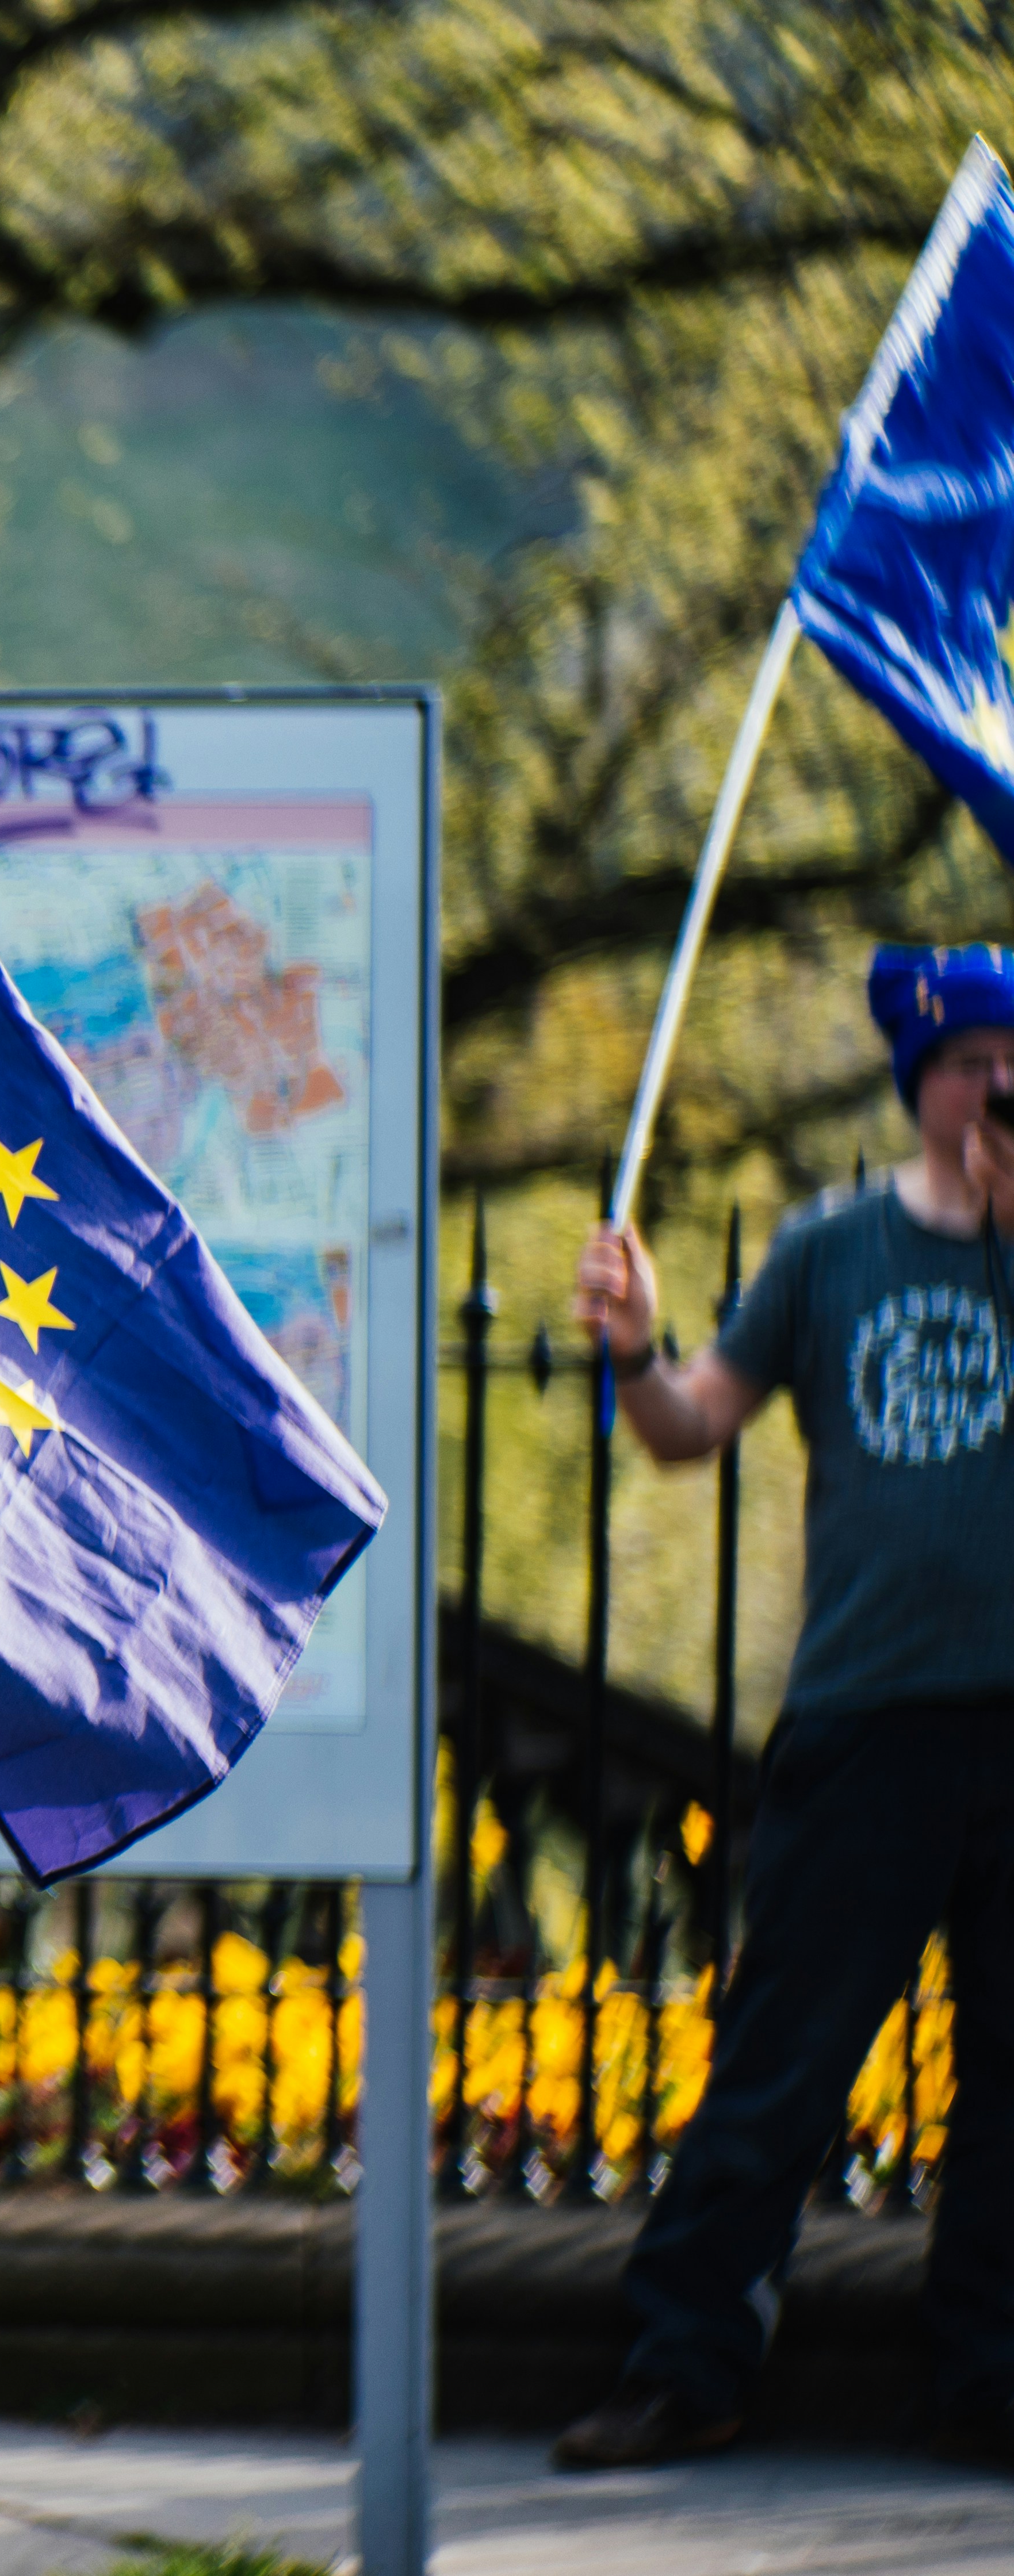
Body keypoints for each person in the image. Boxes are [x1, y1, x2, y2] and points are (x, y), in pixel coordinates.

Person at [554, 941, 1014, 2471]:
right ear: (923, 1080)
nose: (998, 1085)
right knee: (784, 2058)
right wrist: (634, 1354)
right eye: (972, 1060)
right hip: (869, 1720)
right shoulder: (832, 1252)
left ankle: (986, 2380)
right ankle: (687, 2362)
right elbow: (693, 1429)